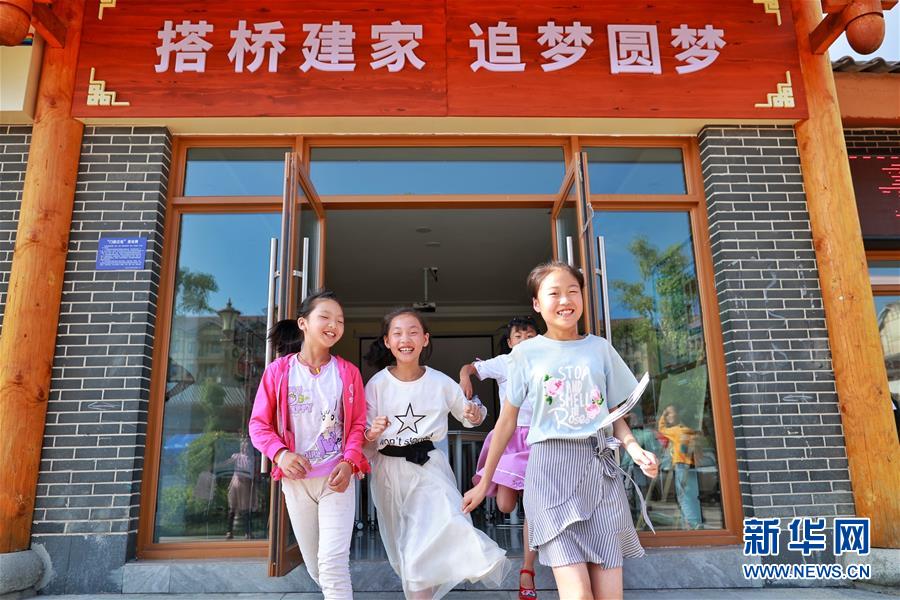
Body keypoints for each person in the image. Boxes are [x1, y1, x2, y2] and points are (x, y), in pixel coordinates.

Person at [462, 261, 659, 600]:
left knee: (610, 595)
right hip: (549, 476)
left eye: (572, 291)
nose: (565, 300)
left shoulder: (600, 348)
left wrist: (634, 449)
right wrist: (484, 483)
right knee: (578, 594)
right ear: (537, 303)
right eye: (554, 293)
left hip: (600, 473)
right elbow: (506, 422)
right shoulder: (524, 354)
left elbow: (612, 412)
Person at [364, 307, 510, 600]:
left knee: (420, 547)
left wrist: (475, 412)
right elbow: (365, 439)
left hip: (429, 469)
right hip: (388, 472)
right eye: (397, 333)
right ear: (388, 341)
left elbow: (471, 414)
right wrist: (372, 432)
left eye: (413, 332)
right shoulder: (377, 384)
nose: (406, 339)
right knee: (403, 550)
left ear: (425, 339)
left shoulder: (440, 382)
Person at [248, 290, 369, 600]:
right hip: (296, 482)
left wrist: (349, 461)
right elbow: (258, 425)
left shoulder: (348, 373)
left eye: (340, 320)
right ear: (303, 323)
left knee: (332, 565)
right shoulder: (278, 372)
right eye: (325, 317)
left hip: (336, 479)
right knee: (317, 567)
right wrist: (280, 454)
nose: (334, 325)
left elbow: (357, 424)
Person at [459, 316, 541, 600]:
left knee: (532, 507)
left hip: (537, 439)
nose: (525, 341)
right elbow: (469, 368)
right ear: (510, 342)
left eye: (530, 336)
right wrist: (465, 378)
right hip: (510, 439)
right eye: (519, 337)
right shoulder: (505, 362)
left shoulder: (546, 360)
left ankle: (527, 569)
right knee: (506, 505)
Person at [657, 404, 702, 529]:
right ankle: (693, 522)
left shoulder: (676, 431)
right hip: (692, 466)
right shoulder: (691, 431)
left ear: (677, 415)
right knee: (692, 495)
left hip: (681, 466)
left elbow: (661, 429)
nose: (668, 416)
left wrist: (662, 415)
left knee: (683, 497)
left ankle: (691, 524)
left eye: (669, 413)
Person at [224, 437, 257, 539]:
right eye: (243, 446)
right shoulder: (236, 456)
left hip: (246, 485)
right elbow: (228, 463)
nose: (245, 448)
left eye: (247, 446)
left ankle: (248, 532)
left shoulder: (251, 459)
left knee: (246, 509)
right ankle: (229, 531)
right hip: (236, 483)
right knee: (232, 508)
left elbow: (253, 472)